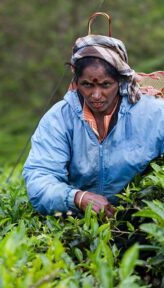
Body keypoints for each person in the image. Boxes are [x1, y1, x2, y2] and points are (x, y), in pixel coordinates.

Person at [23, 34, 164, 218]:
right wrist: (77, 198)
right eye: (87, 85)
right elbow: (40, 177)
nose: (96, 95)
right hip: (79, 223)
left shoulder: (154, 114)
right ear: (76, 82)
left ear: (120, 80)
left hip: (138, 221)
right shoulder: (59, 119)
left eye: (106, 85)